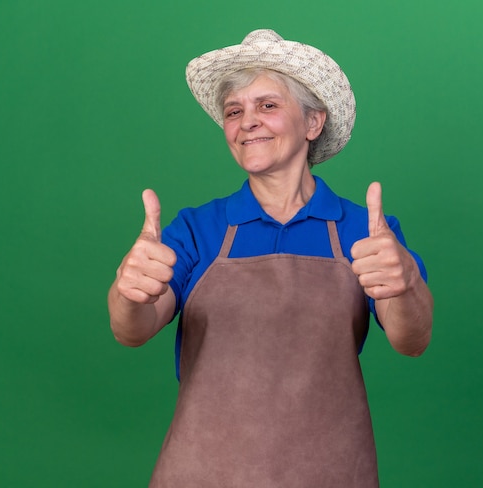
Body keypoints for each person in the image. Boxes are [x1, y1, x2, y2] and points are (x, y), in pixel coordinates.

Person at [108, 29, 433, 487]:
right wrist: (129, 293)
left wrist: (406, 285)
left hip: (330, 473)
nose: (247, 122)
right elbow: (133, 330)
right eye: (234, 111)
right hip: (203, 473)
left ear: (313, 123)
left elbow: (411, 339)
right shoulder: (198, 230)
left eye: (268, 105)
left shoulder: (366, 231)